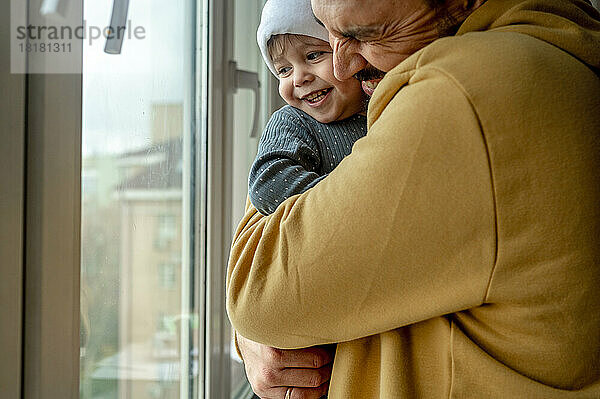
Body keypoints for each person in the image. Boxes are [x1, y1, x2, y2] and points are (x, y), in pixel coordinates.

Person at [227, 0, 600, 397]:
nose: (342, 66)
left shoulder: (461, 93)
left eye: (363, 34)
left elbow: (259, 292)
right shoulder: (557, 50)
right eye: (328, 32)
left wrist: (264, 322)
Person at [249, 0, 367, 216]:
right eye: (284, 70)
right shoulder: (292, 122)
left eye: (313, 56)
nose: (299, 78)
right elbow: (268, 184)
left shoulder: (384, 105)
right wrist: (353, 200)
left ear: (350, 54)